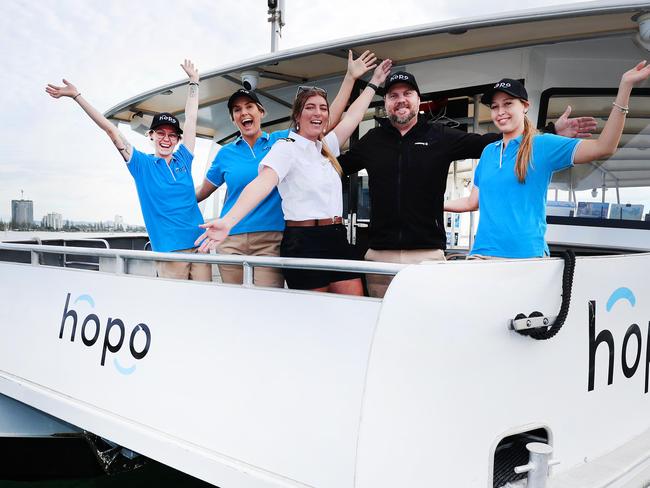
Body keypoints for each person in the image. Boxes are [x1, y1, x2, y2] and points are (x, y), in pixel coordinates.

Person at [337, 71, 598, 298]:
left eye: (408, 93)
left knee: (429, 325)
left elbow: (495, 141)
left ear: (418, 100)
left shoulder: (439, 136)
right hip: (379, 255)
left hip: (428, 255)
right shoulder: (372, 141)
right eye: (394, 95)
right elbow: (336, 169)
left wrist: (549, 130)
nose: (401, 99)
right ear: (387, 103)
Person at [195, 59, 393, 295]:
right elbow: (262, 183)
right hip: (303, 240)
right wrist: (228, 221)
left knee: (353, 307)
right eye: (310, 107)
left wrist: (374, 82)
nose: (317, 112)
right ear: (298, 116)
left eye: (323, 108)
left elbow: (352, 117)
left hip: (336, 236)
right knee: (314, 316)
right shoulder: (285, 147)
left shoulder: (326, 147)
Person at [444, 61, 650, 259]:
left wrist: (625, 88)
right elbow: (472, 202)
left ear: (525, 106)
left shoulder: (542, 145)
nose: (500, 112)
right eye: (495, 107)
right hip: (482, 254)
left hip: (526, 257)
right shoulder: (489, 152)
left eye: (508, 104)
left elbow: (604, 147)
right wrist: (433, 204)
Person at [46, 60, 211, 281]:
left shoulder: (184, 159)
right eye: (160, 133)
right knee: (176, 308)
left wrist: (194, 82)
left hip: (200, 244)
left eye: (172, 135)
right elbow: (110, 130)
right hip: (170, 252)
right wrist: (77, 96)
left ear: (178, 139)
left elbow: (191, 118)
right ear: (150, 135)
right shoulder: (142, 165)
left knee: (206, 304)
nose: (166, 139)